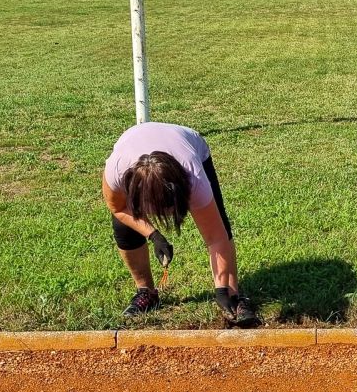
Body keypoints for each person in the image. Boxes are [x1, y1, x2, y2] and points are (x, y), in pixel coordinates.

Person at [102, 122, 256, 325]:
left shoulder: (194, 177)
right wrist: (153, 235)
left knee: (218, 220)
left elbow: (215, 237)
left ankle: (233, 296)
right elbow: (118, 209)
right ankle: (146, 292)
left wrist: (220, 290)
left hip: (187, 143)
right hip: (132, 140)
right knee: (124, 227)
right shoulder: (117, 172)